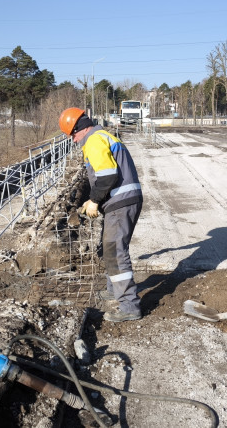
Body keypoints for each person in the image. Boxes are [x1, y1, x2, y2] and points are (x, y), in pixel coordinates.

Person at [59, 107, 143, 322]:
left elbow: (106, 176)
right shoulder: (102, 136)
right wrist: (91, 199)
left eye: (73, 135)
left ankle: (129, 306)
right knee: (109, 248)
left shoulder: (94, 140)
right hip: (123, 200)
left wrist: (95, 200)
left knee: (115, 252)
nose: (74, 141)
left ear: (80, 128)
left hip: (120, 201)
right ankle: (114, 290)